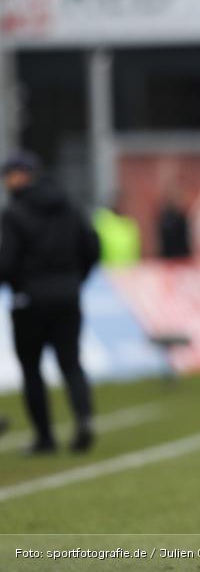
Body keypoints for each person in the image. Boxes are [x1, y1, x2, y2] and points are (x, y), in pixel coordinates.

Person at [0, 153, 99, 454]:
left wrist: (18, 284)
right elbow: (92, 246)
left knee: (31, 368)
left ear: (21, 175)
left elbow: (6, 261)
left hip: (29, 299)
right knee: (71, 362)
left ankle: (44, 437)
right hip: (68, 294)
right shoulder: (68, 204)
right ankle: (84, 420)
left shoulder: (14, 212)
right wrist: (74, 280)